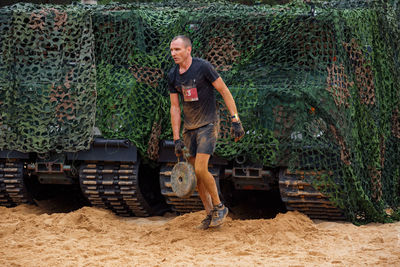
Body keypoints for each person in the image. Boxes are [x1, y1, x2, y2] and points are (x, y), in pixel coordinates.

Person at [168, 35, 245, 229]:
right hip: (189, 129)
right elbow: (175, 108)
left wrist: (235, 119)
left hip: (208, 125)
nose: (173, 54)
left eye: (177, 50)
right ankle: (209, 213)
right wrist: (176, 138)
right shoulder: (173, 75)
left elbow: (224, 91)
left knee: (202, 169)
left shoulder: (203, 67)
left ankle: (220, 207)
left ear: (188, 50)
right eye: (171, 50)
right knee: (197, 175)